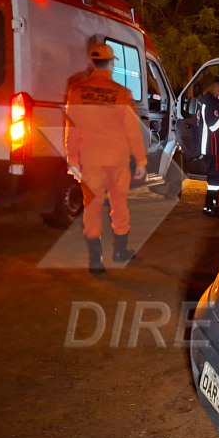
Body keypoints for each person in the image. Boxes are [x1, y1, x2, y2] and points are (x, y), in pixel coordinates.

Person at [64, 43, 147, 274]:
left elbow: (71, 128)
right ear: (110, 64)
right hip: (117, 159)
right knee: (119, 205)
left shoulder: (77, 90)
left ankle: (95, 260)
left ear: (92, 63)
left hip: (91, 159)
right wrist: (140, 160)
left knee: (91, 206)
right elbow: (132, 130)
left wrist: (72, 159)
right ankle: (120, 251)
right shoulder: (122, 93)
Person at [199, 77, 219, 218]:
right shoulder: (210, 103)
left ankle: (209, 206)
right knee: (215, 178)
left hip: (211, 146)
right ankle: (213, 207)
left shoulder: (208, 101)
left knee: (214, 177)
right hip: (213, 146)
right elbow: (214, 126)